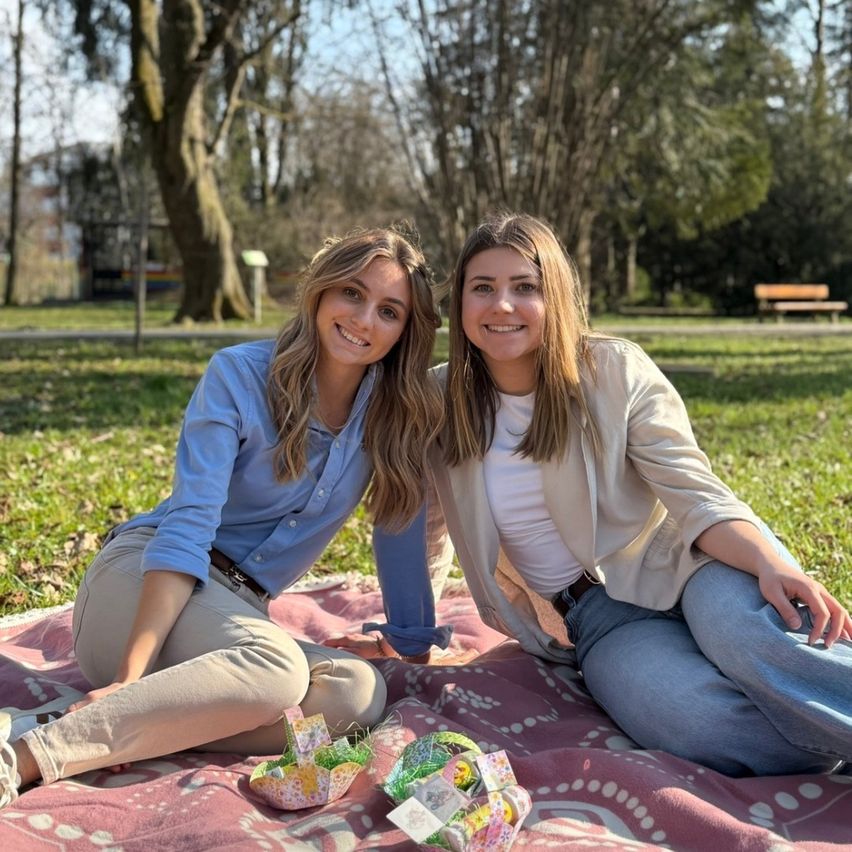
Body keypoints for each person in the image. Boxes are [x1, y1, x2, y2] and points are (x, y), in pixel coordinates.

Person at [370, 212, 852, 777]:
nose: (502, 305)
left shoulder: (613, 370)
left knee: (751, 643)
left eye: (525, 287)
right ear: (461, 303)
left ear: (556, 296)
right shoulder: (437, 401)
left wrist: (767, 561)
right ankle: (828, 750)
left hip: (691, 562)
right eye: (484, 288)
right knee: (695, 721)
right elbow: (418, 521)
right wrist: (413, 637)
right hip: (599, 619)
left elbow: (694, 490)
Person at [0, 227, 452, 807]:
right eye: (352, 293)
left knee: (357, 696)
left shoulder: (394, 416)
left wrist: (411, 645)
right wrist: (127, 680)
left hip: (229, 621)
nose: (364, 319)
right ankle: (30, 755)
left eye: (389, 311)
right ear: (320, 292)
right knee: (279, 670)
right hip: (142, 582)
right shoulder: (238, 375)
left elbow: (399, 533)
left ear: (404, 332)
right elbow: (186, 528)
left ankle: (88, 725)